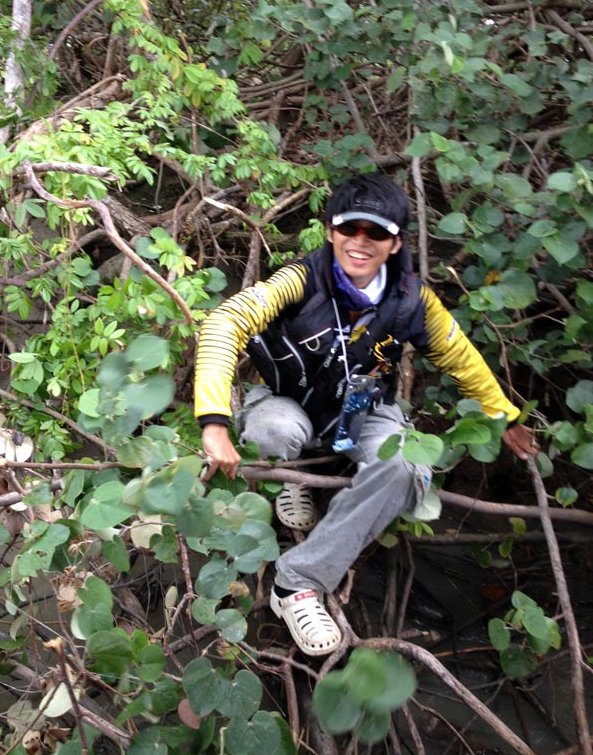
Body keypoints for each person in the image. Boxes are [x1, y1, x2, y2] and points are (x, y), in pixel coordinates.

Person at [194, 173, 537, 656]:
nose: (360, 242)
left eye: (375, 232)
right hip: (290, 404)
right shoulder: (299, 280)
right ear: (330, 231)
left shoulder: (412, 300)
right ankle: (292, 477)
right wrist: (213, 422)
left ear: (394, 243)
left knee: (405, 467)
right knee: (273, 430)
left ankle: (297, 582)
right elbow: (224, 321)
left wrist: (504, 415)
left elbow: (459, 357)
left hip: (362, 411)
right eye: (348, 228)